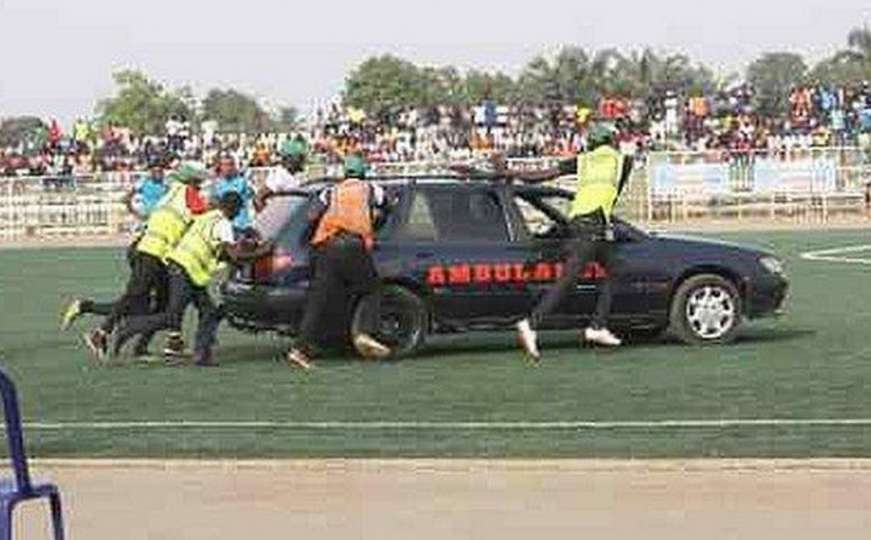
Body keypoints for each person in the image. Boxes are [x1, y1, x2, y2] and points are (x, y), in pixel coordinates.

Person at [466, 123, 633, 362]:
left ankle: (597, 325)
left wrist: (508, 173)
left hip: (578, 222)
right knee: (568, 280)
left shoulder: (583, 160)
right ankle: (532, 324)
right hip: (592, 226)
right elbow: (614, 193)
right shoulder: (622, 161)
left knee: (615, 268)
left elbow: (542, 176)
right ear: (612, 140)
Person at [112, 193, 273, 367]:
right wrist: (262, 251)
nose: (238, 213)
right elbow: (235, 256)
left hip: (185, 269)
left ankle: (201, 355)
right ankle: (129, 327)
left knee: (208, 311)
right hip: (185, 271)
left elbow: (218, 247)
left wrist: (243, 236)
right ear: (234, 209)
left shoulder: (209, 216)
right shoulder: (224, 224)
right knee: (171, 317)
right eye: (239, 210)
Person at [77, 162, 209, 359]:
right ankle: (101, 333)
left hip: (155, 251)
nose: (200, 186)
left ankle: (168, 342)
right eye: (199, 181)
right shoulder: (189, 193)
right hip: (155, 251)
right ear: (191, 181)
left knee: (162, 301)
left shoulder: (172, 191)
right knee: (135, 296)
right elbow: (204, 215)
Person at [286, 154, 392, 369]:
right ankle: (365, 332)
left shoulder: (330, 191)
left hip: (326, 246)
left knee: (319, 300)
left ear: (345, 173)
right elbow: (387, 209)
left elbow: (311, 215)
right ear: (363, 172)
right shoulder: (373, 189)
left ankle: (300, 350)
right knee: (373, 290)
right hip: (352, 245)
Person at [209, 154, 256, 238]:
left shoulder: (243, 182)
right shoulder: (216, 185)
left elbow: (252, 199)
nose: (228, 168)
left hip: (243, 225)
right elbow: (213, 203)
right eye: (225, 165)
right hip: (225, 226)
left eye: (231, 164)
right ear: (221, 167)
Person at [254, 138, 308, 211]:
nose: (302, 161)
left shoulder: (299, 175)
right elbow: (258, 199)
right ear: (289, 158)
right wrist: (269, 217)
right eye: (300, 158)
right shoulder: (279, 175)